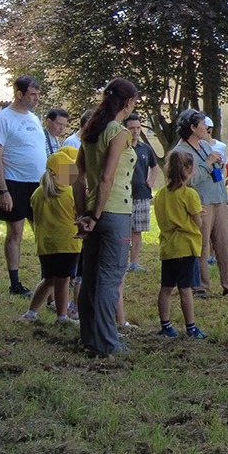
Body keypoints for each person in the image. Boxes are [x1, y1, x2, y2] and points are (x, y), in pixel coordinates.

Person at [69, 79, 139, 357]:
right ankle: (107, 343)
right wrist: (95, 216)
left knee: (90, 278)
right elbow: (107, 178)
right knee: (110, 279)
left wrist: (82, 214)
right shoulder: (118, 132)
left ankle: (90, 338)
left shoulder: (90, 130)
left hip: (92, 212)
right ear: (128, 102)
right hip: (114, 212)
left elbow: (77, 177)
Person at [170, 111, 228, 298]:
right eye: (203, 124)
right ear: (192, 128)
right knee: (200, 246)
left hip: (219, 200)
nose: (207, 128)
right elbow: (189, 180)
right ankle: (200, 286)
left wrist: (219, 164)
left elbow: (217, 172)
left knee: (225, 244)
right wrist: (208, 163)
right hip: (200, 204)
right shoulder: (180, 152)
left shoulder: (205, 145)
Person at [0, 74, 47, 294]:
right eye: (32, 94)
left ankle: (48, 279)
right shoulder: (2, 119)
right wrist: (3, 190)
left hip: (38, 184)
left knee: (44, 232)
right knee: (15, 233)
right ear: (19, 94)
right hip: (14, 183)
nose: (36, 98)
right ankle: (15, 283)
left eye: (38, 94)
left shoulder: (34, 119)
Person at [22, 147, 81, 325]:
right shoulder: (70, 193)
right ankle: (62, 317)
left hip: (45, 245)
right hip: (67, 244)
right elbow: (79, 215)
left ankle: (30, 313)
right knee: (63, 280)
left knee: (48, 279)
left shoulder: (37, 194)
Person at [155, 149, 207, 340]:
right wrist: (199, 215)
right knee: (185, 289)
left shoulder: (160, 195)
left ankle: (165, 326)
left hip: (168, 247)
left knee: (166, 288)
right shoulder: (190, 194)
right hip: (186, 247)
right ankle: (191, 328)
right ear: (189, 169)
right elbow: (197, 223)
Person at [124, 113, 157, 273]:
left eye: (138, 128)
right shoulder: (121, 148)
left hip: (142, 194)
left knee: (137, 231)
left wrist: (152, 180)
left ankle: (134, 263)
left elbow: (154, 166)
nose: (135, 131)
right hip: (124, 195)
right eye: (132, 128)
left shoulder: (146, 148)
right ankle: (122, 262)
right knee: (123, 231)